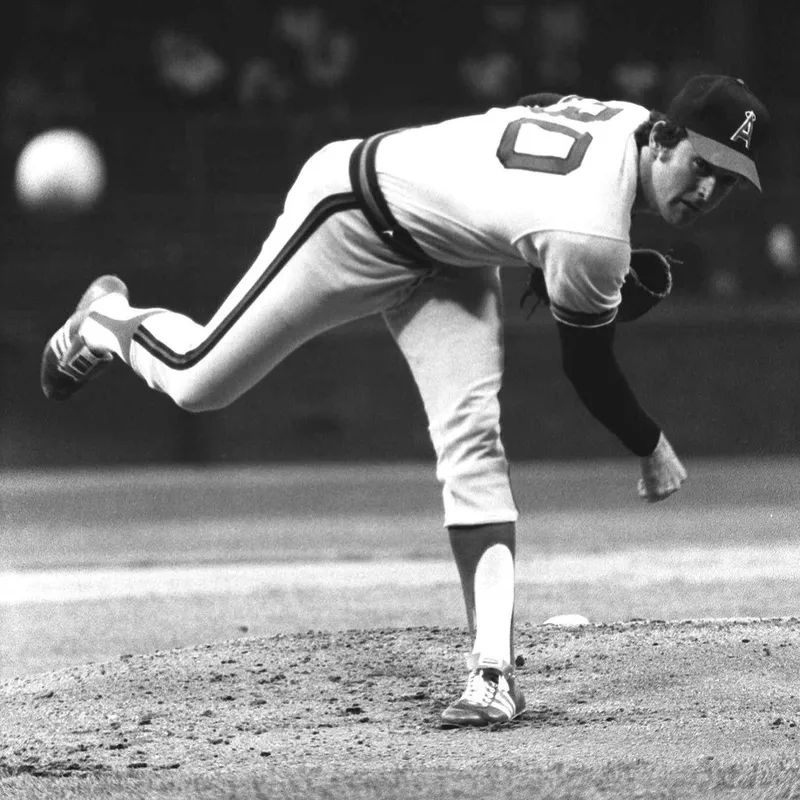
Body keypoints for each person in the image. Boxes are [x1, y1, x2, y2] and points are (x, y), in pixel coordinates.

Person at [41, 74, 771, 728]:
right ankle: (106, 321)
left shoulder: (627, 120)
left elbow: (535, 106)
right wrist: (651, 446)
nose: (707, 190)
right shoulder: (590, 239)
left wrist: (519, 226)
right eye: (702, 166)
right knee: (202, 380)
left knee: (475, 444)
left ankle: (492, 674)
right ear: (666, 137)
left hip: (449, 262)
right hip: (353, 212)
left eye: (727, 181)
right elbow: (589, 371)